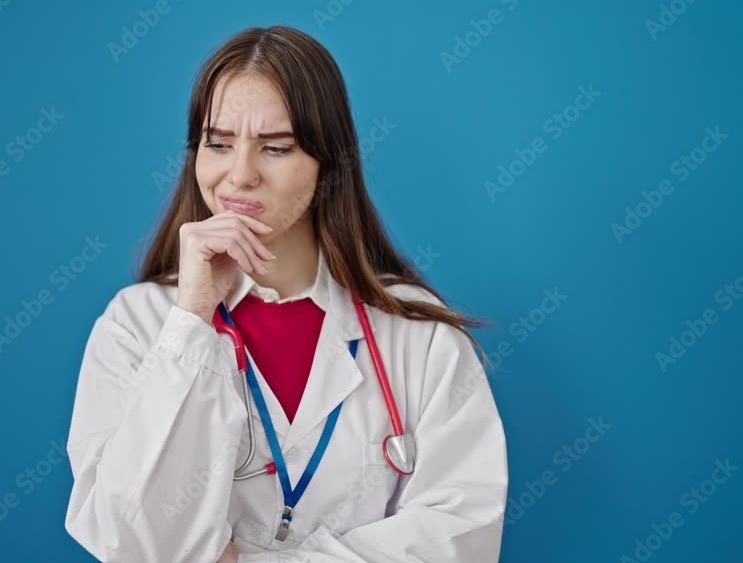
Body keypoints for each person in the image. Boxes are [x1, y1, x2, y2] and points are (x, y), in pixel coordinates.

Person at [64, 25, 508, 562]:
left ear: (328, 165)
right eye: (219, 143)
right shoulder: (137, 326)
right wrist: (191, 323)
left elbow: (461, 539)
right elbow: (133, 543)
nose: (240, 175)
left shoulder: (422, 338)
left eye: (276, 148)